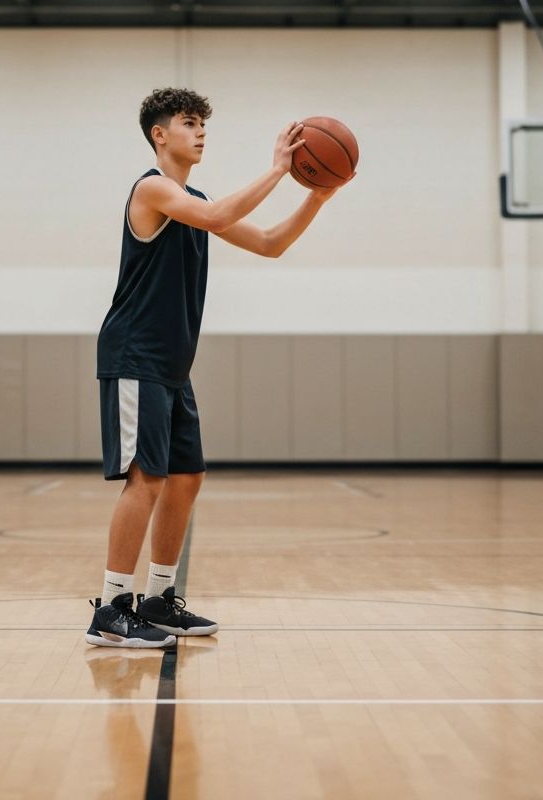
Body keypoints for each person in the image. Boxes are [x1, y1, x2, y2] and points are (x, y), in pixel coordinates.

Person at [85, 87, 349, 648]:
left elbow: (271, 243)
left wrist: (317, 198)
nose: (201, 131)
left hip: (173, 365)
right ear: (160, 134)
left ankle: (158, 596)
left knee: (186, 476)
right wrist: (279, 170)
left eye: (204, 122)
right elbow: (217, 214)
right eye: (188, 122)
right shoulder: (154, 189)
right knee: (145, 479)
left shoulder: (196, 198)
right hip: (136, 355)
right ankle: (110, 609)